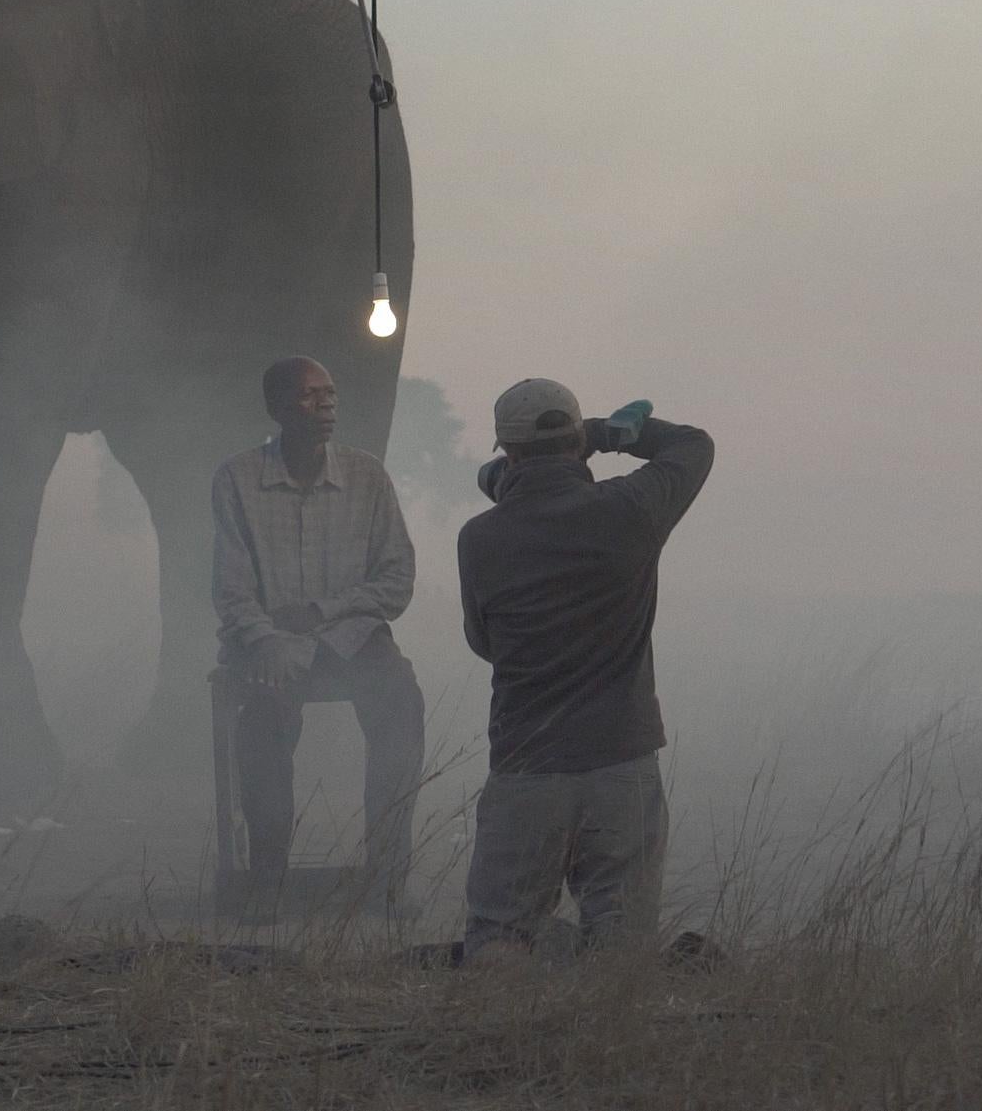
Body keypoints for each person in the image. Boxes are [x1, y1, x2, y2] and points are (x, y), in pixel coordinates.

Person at [457, 380, 713, 962]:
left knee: (501, 936)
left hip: (527, 763)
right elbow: (693, 445)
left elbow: (484, 642)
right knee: (620, 944)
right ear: (577, 442)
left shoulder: (480, 538)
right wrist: (608, 435)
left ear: (507, 450)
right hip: (621, 761)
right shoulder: (631, 509)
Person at [209, 356, 423, 921]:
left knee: (401, 703)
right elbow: (231, 591)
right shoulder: (237, 478)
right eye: (309, 396)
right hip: (268, 643)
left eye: (330, 393)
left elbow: (396, 580)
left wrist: (323, 616)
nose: (326, 404)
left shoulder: (366, 475)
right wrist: (267, 639)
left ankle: (389, 875)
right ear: (276, 408)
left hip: (351, 640)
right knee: (262, 725)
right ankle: (267, 878)